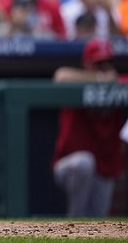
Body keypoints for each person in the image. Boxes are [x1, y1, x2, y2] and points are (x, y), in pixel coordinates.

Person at [51, 38, 127, 218]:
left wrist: (112, 80)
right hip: (69, 165)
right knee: (84, 163)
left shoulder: (117, 84)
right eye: (99, 64)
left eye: (108, 63)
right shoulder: (76, 82)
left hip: (105, 168)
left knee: (98, 221)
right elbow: (60, 76)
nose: (105, 68)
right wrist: (99, 79)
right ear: (87, 65)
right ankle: (74, 225)